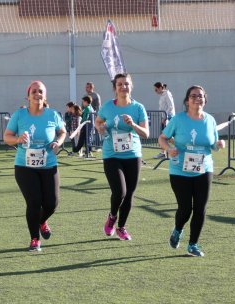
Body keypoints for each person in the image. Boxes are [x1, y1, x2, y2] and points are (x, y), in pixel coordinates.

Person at [158, 85, 226, 257]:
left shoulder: (210, 120)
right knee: (185, 208)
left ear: (205, 99)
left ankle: (193, 244)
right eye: (193, 96)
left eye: (201, 96)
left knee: (200, 208)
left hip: (204, 169)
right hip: (179, 170)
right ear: (187, 100)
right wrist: (168, 149)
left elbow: (212, 144)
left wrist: (219, 145)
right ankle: (178, 229)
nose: (198, 98)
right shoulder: (178, 119)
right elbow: (163, 138)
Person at [3, 80, 67, 252]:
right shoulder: (19, 115)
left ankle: (41, 221)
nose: (37, 94)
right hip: (25, 166)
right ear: (28, 96)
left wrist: (58, 142)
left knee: (52, 203)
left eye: (41, 91)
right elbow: (7, 136)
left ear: (44, 96)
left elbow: (62, 132)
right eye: (34, 91)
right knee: (34, 201)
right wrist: (17, 139)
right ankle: (34, 239)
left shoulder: (53, 115)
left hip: (49, 165)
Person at [94, 73, 149, 241]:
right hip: (112, 155)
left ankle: (122, 227)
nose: (123, 87)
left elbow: (146, 133)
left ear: (131, 86)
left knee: (129, 194)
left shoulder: (138, 108)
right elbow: (98, 122)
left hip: (133, 155)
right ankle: (112, 216)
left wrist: (132, 124)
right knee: (120, 192)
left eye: (126, 84)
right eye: (120, 84)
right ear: (115, 88)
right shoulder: (107, 107)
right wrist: (101, 128)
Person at [153, 82, 176, 159]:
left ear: (160, 88)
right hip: (165, 118)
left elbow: (171, 107)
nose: (155, 91)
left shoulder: (167, 94)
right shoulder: (162, 95)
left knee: (167, 136)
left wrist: (165, 117)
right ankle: (163, 152)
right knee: (165, 136)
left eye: (156, 90)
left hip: (169, 118)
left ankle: (180, 147)